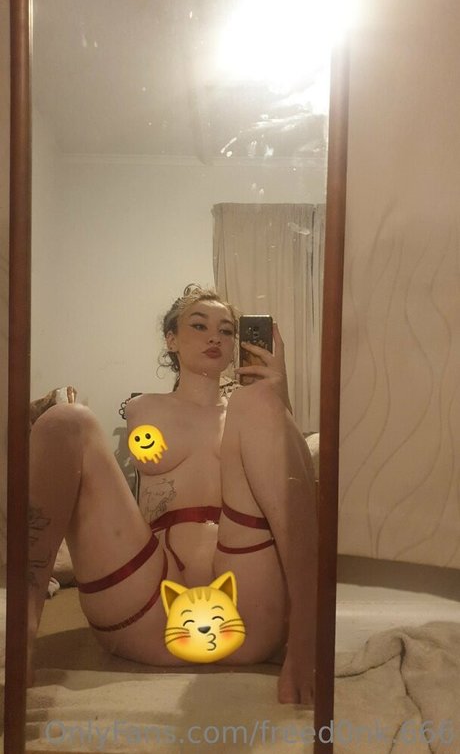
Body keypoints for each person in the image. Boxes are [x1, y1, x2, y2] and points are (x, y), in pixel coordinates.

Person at [28, 283, 317, 705]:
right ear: (171, 339)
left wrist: (278, 395)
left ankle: (309, 629)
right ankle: (23, 622)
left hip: (245, 604)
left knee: (253, 403)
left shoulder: (248, 409)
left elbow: (291, 475)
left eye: (227, 330)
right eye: (199, 326)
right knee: (66, 420)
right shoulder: (143, 407)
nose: (214, 337)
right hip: (148, 605)